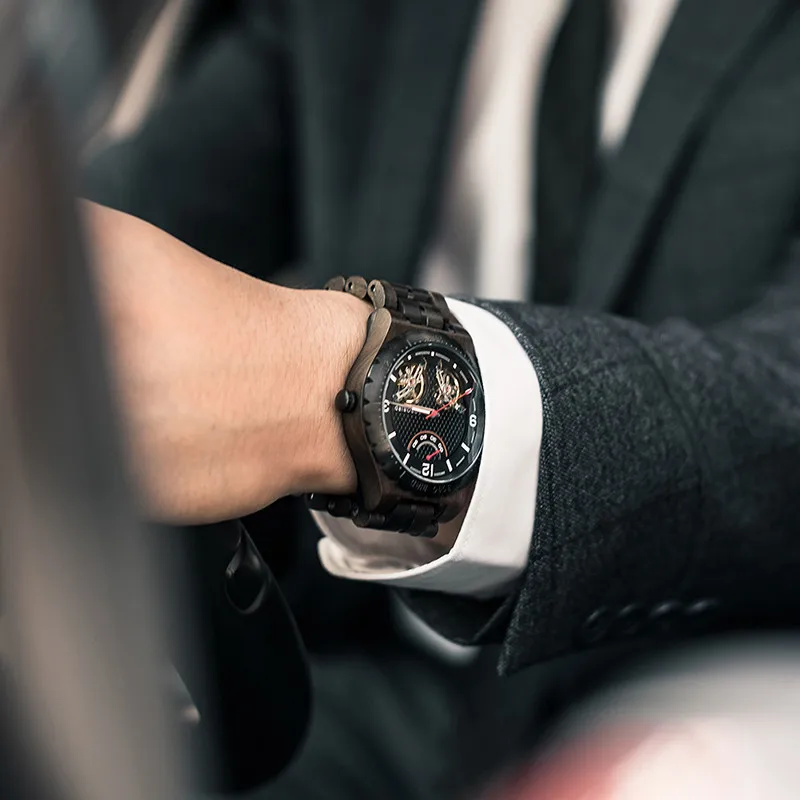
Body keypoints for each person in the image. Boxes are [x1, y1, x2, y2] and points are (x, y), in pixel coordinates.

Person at [83, 0, 800, 796]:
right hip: (339, 667)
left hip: (695, 704)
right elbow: (137, 217)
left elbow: (780, 407)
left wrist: (327, 388)